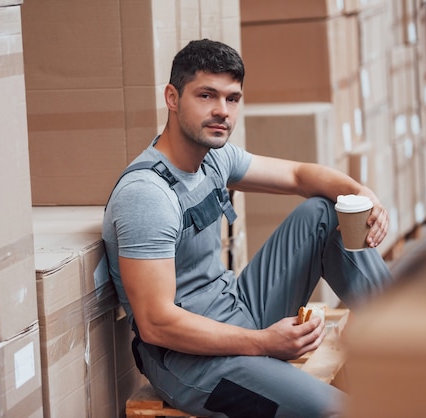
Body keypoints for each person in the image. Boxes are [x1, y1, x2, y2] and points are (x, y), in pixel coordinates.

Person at [102, 39, 393, 418]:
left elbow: (298, 175)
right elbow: (156, 323)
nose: (221, 111)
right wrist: (263, 342)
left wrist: (361, 194)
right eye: (206, 95)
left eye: (232, 98)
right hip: (193, 365)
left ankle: (400, 336)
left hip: (235, 307)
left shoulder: (213, 159)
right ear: (172, 98)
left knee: (324, 212)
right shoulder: (147, 196)